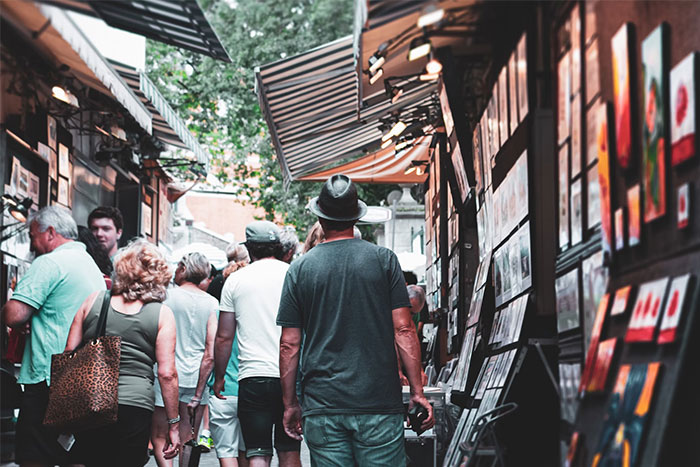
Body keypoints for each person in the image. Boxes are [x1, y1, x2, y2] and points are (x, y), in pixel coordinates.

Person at [277, 174, 434, 466]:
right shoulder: (383, 260)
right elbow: (403, 328)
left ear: (320, 219)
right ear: (356, 218)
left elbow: (289, 344)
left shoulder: (299, 270)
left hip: (323, 404)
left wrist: (290, 404)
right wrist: (417, 392)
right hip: (378, 402)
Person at [1, 206, 106, 467]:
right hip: (85, 375)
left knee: (34, 455)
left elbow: (14, 315)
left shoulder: (50, 263)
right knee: (72, 455)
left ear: (50, 233)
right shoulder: (89, 264)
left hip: (50, 376)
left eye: (32, 235)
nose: (32, 242)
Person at [65, 240, 180, 466]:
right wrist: (173, 423)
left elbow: (69, 352)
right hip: (135, 404)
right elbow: (167, 374)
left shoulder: (94, 300)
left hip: (91, 400)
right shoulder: (162, 314)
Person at [214, 221, 301, 467]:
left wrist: (220, 377)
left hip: (252, 377)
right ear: (278, 247)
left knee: (258, 453)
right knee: (289, 449)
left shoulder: (235, 281)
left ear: (250, 248)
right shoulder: (293, 274)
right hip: (291, 375)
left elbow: (224, 336)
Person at [151, 253, 218, 467]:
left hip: (166, 372)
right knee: (189, 437)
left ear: (182, 268)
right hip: (196, 375)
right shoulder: (212, 303)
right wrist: (200, 391)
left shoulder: (166, 297)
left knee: (161, 434)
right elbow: (210, 351)